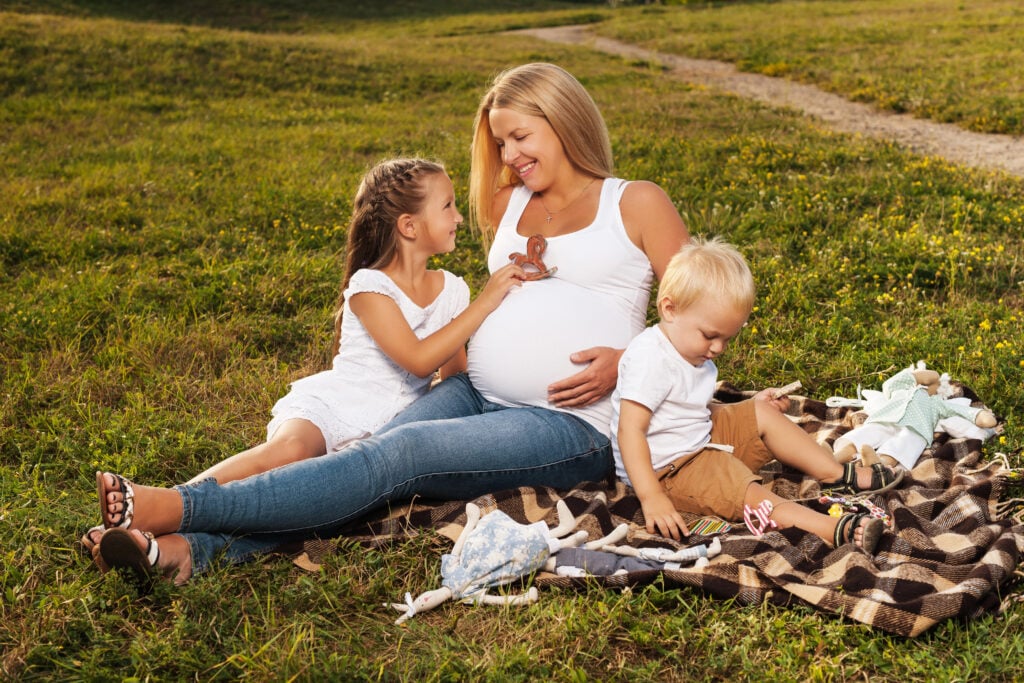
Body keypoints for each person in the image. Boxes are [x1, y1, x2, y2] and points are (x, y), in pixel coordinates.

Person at [89, 62, 693, 587]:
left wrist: (627, 359)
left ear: (563, 121)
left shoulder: (636, 202)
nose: (508, 156)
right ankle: (187, 554)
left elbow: (697, 306)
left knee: (399, 455)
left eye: (519, 137)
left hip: (568, 420)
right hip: (473, 392)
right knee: (373, 464)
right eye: (501, 142)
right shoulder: (511, 201)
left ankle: (177, 508)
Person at [82, 157, 525, 552]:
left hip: (385, 429)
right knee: (292, 451)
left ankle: (163, 543)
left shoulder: (453, 289)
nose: (459, 216)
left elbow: (452, 378)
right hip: (335, 405)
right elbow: (417, 359)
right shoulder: (371, 287)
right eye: (447, 205)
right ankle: (164, 503)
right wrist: (486, 304)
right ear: (409, 226)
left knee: (315, 496)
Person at [611, 237, 903, 553]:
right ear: (669, 309)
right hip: (669, 470)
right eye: (711, 335)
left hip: (700, 437)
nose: (719, 348)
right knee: (747, 491)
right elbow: (631, 431)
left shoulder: (691, 349)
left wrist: (752, 408)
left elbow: (682, 405)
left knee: (761, 412)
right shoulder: (650, 360)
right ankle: (834, 529)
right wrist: (651, 496)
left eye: (727, 338)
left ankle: (836, 474)